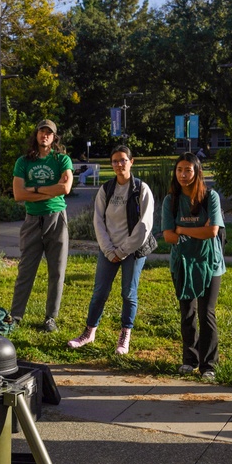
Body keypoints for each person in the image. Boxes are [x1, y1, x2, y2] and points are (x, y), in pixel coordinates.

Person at [68, 145, 155, 354]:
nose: (118, 165)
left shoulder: (141, 189)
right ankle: (89, 332)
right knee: (99, 292)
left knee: (128, 293)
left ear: (131, 162)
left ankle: (125, 335)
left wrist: (123, 251)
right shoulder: (106, 189)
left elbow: (145, 225)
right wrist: (109, 250)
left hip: (133, 250)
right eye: (115, 161)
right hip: (108, 250)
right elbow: (98, 220)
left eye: (123, 160)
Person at [161, 152, 225, 380]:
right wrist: (194, 232)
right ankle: (189, 359)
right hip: (182, 264)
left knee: (207, 312)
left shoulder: (211, 197)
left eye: (188, 170)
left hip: (211, 263)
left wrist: (182, 230)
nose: (183, 174)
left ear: (197, 172)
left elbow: (212, 231)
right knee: (187, 312)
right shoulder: (171, 200)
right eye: (179, 170)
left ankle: (209, 365)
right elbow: (168, 236)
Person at [10, 119, 73, 332]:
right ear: (36, 135)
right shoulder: (23, 162)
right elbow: (19, 194)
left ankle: (50, 318)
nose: (44, 135)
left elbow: (65, 188)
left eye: (49, 132)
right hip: (32, 220)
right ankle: (16, 316)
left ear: (54, 137)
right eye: (41, 132)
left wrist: (34, 189)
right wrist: (48, 188)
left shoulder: (62, 160)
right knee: (26, 269)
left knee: (57, 270)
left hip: (56, 217)